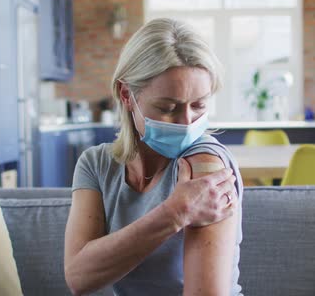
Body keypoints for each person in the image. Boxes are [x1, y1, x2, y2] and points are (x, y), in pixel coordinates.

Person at [64, 18, 244, 296]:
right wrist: (174, 213)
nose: (186, 122)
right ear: (127, 95)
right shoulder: (96, 165)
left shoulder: (205, 163)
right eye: (167, 107)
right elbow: (78, 277)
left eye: (198, 105)